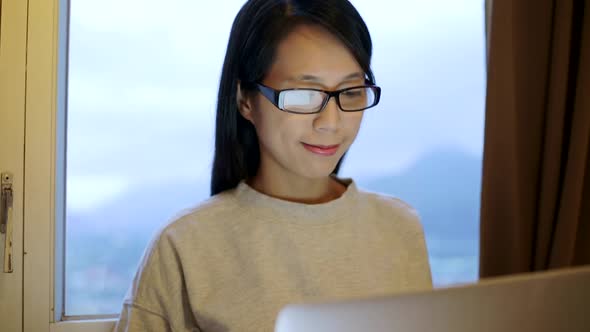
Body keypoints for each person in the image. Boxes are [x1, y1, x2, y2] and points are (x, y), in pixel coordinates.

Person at [114, 0, 432, 331]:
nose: (331, 123)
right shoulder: (184, 247)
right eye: (303, 94)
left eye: (351, 91)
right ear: (245, 100)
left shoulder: (400, 227)